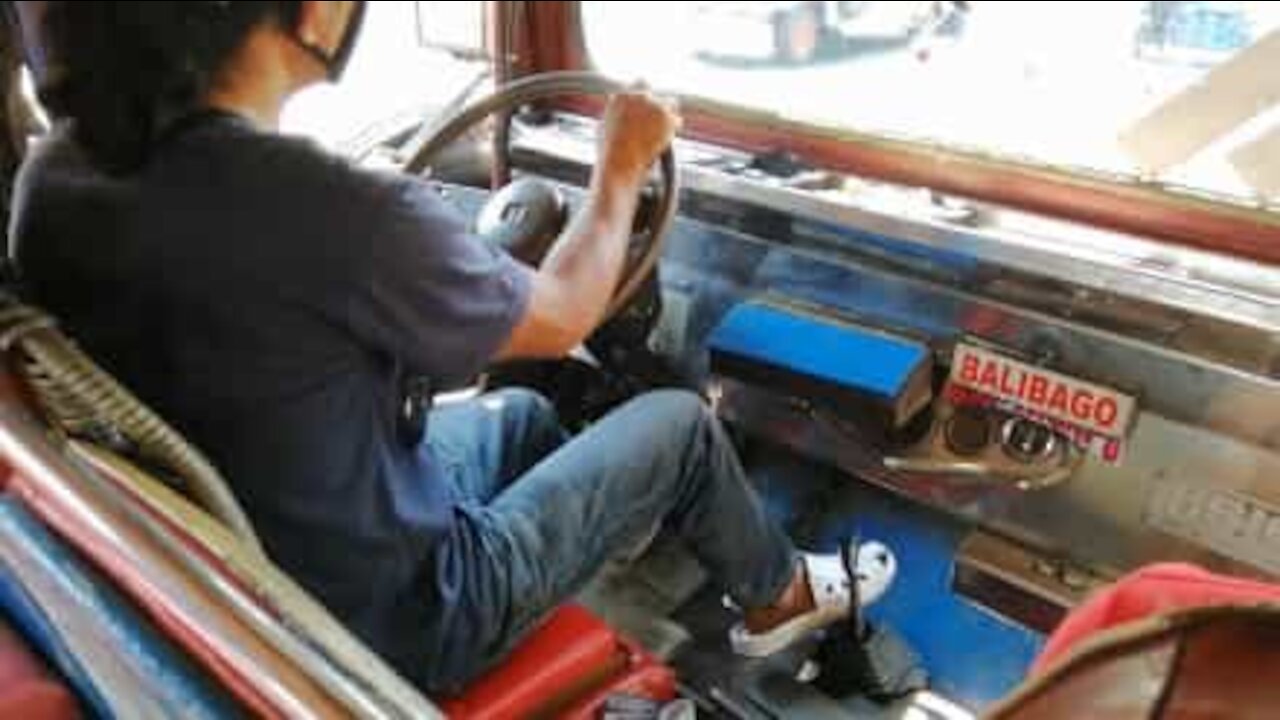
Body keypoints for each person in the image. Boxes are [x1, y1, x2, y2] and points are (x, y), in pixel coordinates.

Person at [8, 1, 896, 694]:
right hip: (400, 616)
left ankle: (601, 541)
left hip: (253, 568)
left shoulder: (53, 182)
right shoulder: (328, 210)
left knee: (520, 414)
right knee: (681, 431)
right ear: (307, 12)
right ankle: (779, 593)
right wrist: (621, 164)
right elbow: (562, 316)